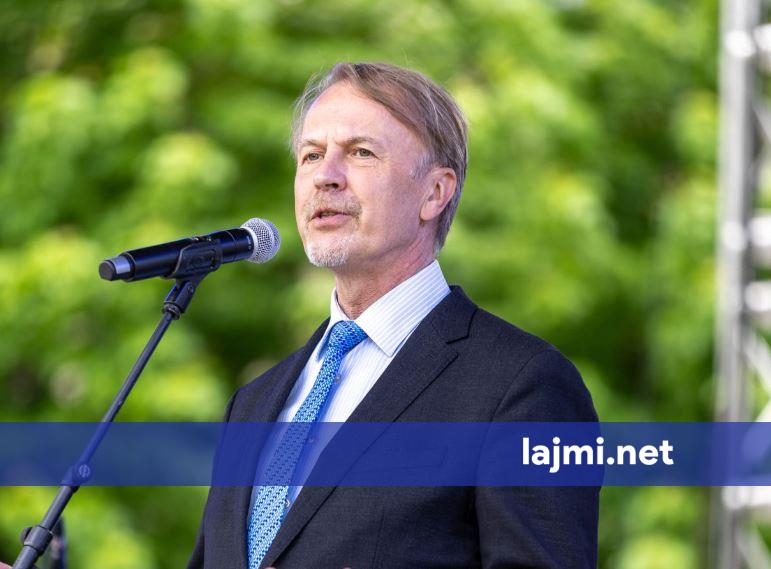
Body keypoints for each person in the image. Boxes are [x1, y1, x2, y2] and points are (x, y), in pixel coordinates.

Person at [187, 61, 600, 569]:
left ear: (434, 193)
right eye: (311, 155)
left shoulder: (523, 386)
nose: (325, 177)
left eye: (361, 153)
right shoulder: (250, 406)